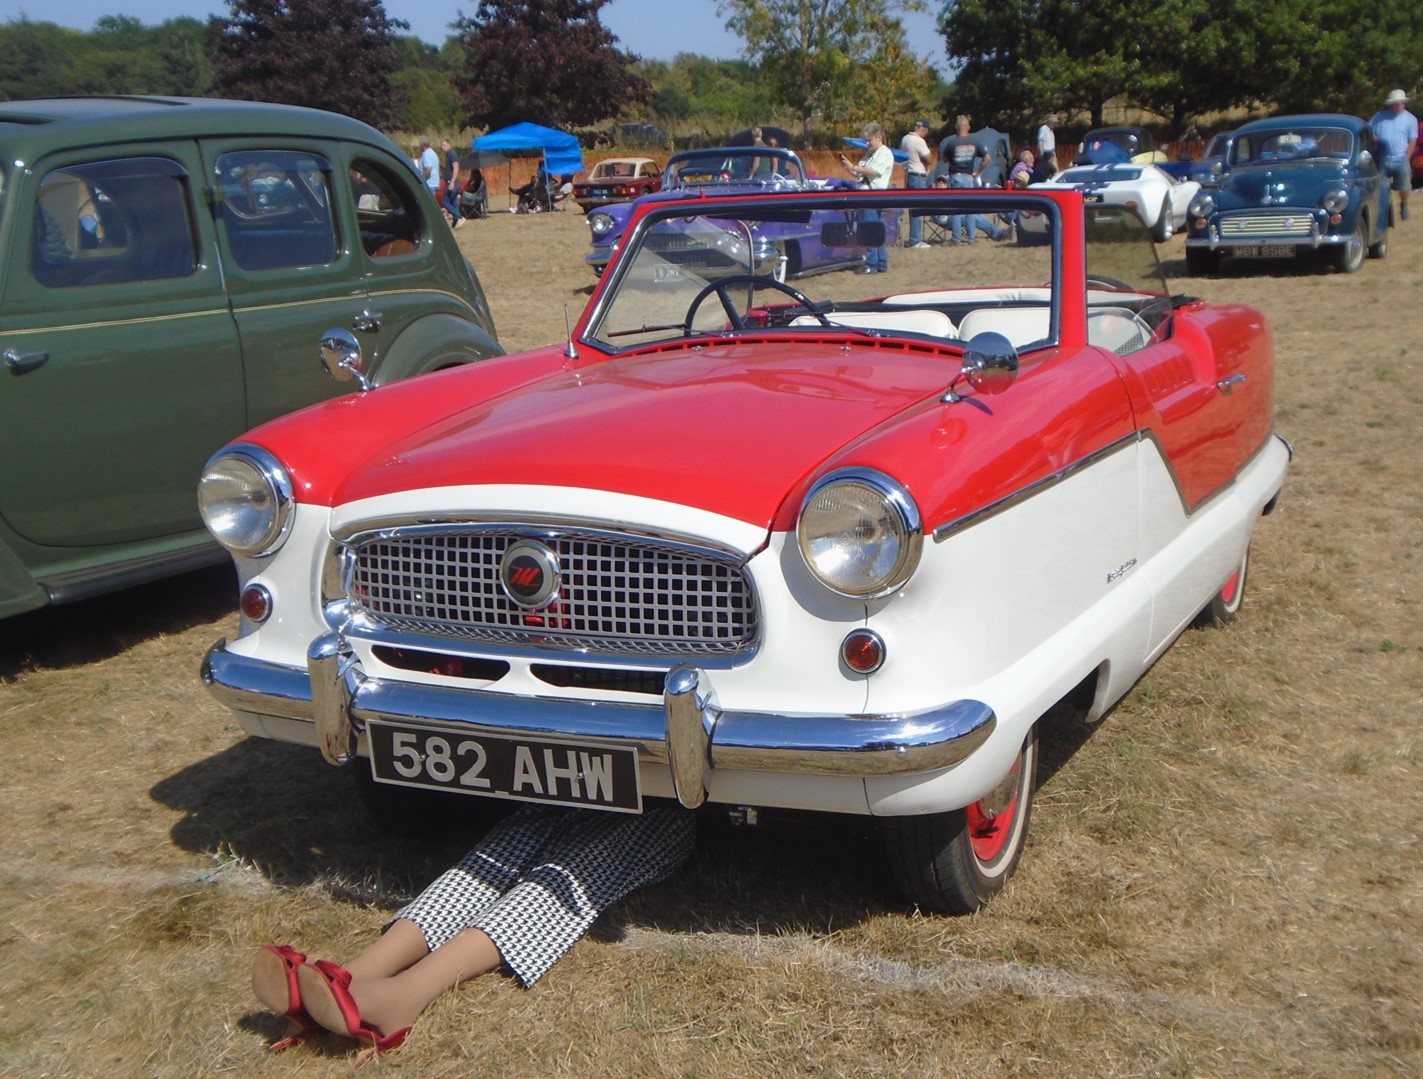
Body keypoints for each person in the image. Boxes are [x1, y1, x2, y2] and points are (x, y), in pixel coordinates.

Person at [252, 804, 696, 1056]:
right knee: (508, 847)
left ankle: (402, 997)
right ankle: (354, 976)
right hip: (571, 763)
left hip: (658, 796)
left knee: (568, 873)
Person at [838, 121, 894, 273]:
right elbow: (859, 173)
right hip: (865, 194)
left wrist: (855, 167)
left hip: (873, 195)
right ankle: (880, 263)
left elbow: (872, 171)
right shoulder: (870, 154)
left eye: (869, 140)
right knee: (874, 228)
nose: (867, 143)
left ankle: (871, 264)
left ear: (878, 137)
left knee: (869, 229)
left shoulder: (885, 153)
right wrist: (849, 167)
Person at [940, 115, 990, 244]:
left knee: (956, 209)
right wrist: (977, 172)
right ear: (968, 127)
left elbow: (945, 159)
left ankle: (956, 239)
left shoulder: (951, 143)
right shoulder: (975, 142)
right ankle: (971, 238)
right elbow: (987, 158)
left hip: (956, 176)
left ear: (956, 127)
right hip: (969, 177)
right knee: (970, 209)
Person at [1370, 89, 1417, 221]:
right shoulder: (1379, 117)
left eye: (1400, 103)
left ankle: (1404, 204)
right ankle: (1384, 212)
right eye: (1395, 103)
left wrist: (1407, 157)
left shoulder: (1410, 119)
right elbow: (1369, 131)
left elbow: (1412, 139)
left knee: (1405, 187)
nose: (1398, 105)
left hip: (1400, 157)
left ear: (1404, 103)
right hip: (1383, 158)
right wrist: (1376, 141)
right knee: (1382, 187)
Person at [900, 118, 934, 249]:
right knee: (918, 208)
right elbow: (929, 158)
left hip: (908, 175)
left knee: (912, 208)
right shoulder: (919, 141)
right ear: (924, 129)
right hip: (918, 176)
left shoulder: (905, 139)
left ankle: (913, 238)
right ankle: (915, 240)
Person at [440, 138, 464, 228]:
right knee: (453, 202)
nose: (442, 147)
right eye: (442, 145)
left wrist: (452, 182)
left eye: (444, 145)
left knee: (445, 201)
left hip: (452, 182)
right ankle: (456, 221)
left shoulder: (452, 154)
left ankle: (459, 217)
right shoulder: (448, 155)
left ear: (449, 145)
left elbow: (456, 167)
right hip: (450, 181)